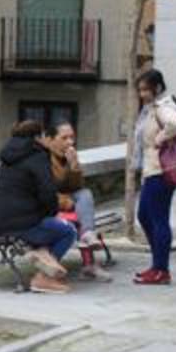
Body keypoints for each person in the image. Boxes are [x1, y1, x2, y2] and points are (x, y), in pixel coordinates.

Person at [0, 120, 77, 294]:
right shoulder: (38, 156)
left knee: (49, 229)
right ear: (39, 137)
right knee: (68, 231)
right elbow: (47, 192)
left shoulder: (7, 156)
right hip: (25, 224)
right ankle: (44, 278)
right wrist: (52, 213)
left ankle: (43, 254)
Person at [131, 68, 176, 285]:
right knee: (145, 215)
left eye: (146, 89)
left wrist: (159, 139)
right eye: (140, 90)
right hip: (152, 170)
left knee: (157, 218)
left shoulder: (163, 107)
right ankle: (157, 265)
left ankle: (161, 269)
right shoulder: (151, 108)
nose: (142, 94)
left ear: (158, 88)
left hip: (161, 171)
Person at [43, 121, 111, 282]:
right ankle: (87, 265)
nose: (70, 142)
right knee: (78, 215)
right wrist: (68, 203)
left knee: (85, 194)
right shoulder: (41, 158)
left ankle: (88, 234)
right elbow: (45, 192)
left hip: (64, 204)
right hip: (46, 206)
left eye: (72, 137)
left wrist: (73, 166)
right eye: (64, 138)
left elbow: (76, 187)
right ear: (49, 139)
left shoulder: (66, 156)